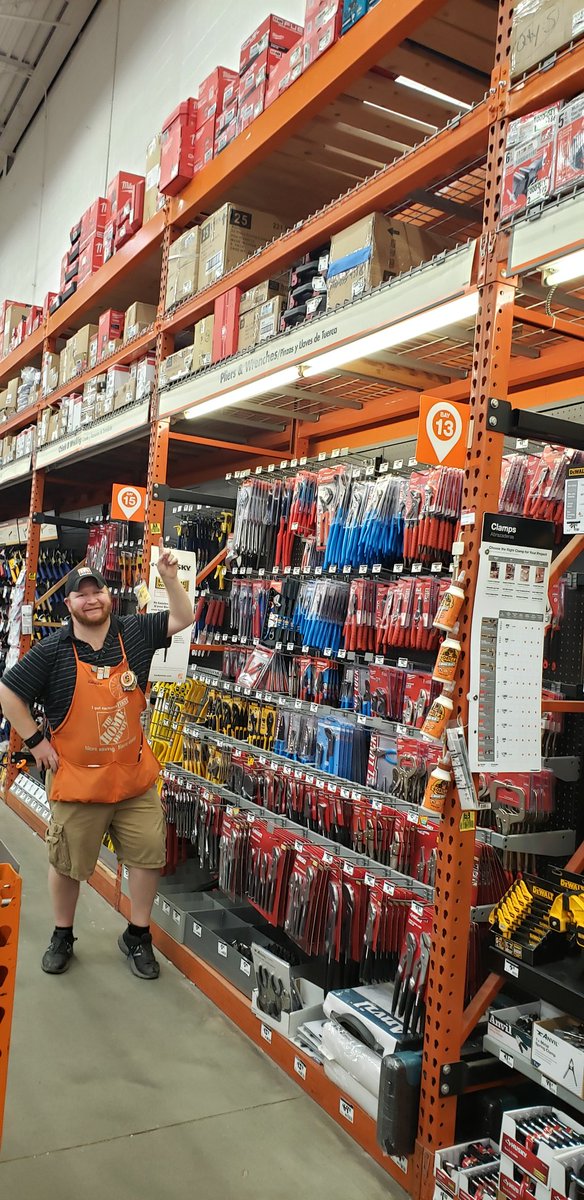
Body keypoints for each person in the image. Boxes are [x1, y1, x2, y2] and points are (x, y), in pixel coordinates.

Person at [0, 540, 194, 981]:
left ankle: (137, 935)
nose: (91, 599)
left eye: (97, 591)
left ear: (110, 596)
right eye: (81, 594)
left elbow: (184, 618)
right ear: (68, 602)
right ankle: (63, 934)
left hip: (133, 778)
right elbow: (8, 692)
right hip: (78, 783)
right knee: (67, 863)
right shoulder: (52, 651)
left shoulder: (135, 633)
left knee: (147, 856)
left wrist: (168, 576)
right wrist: (34, 742)